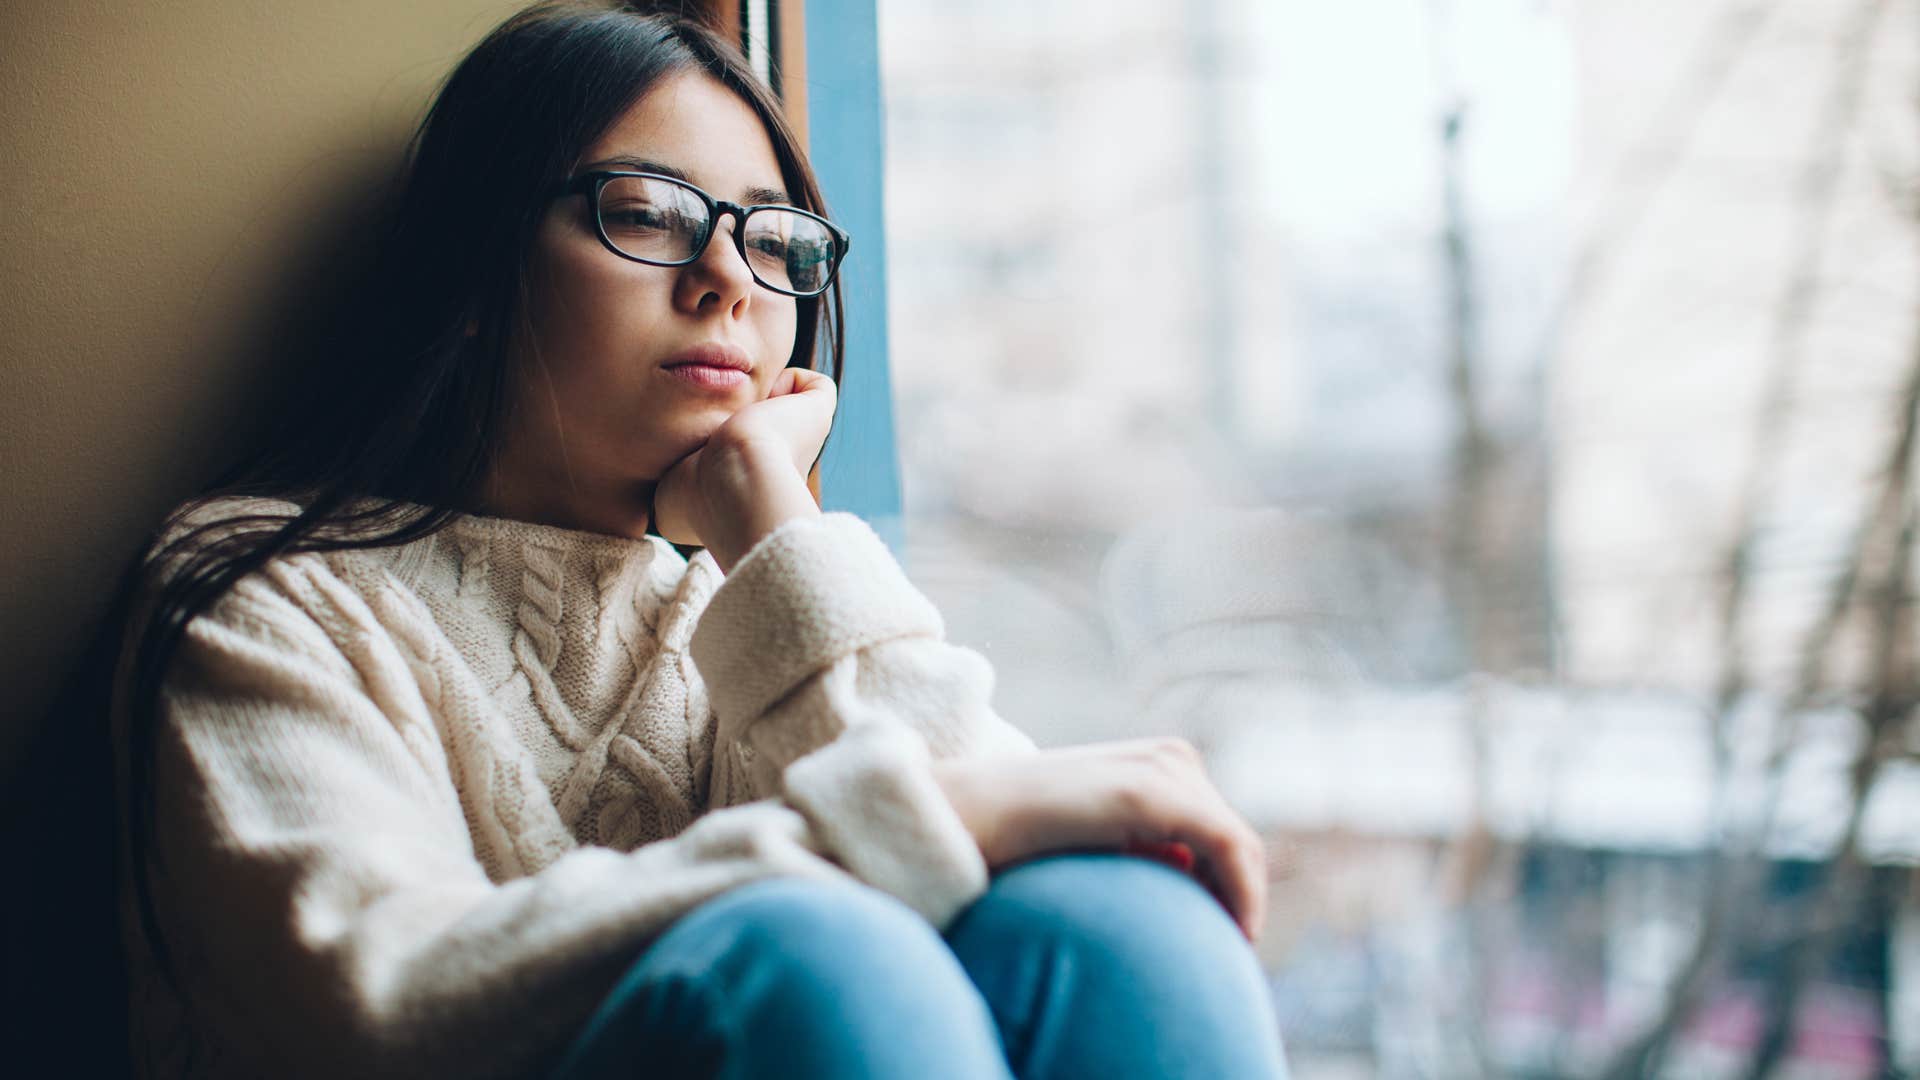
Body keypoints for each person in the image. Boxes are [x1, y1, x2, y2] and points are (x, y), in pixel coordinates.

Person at [111, 3, 1289, 1077]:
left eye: (777, 242)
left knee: (1124, 926)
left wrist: (767, 513)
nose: (729, 276)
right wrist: (935, 821)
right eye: (647, 214)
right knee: (815, 952)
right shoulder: (260, 591)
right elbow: (378, 1001)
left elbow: (965, 818)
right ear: (478, 264)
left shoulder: (729, 610)